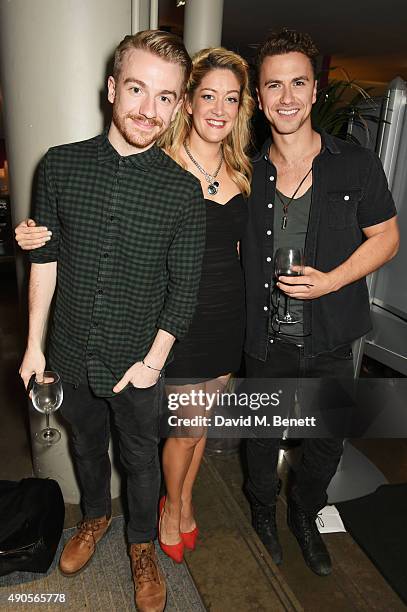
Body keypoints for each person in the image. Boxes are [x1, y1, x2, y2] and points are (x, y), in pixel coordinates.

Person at [16, 46, 254, 566]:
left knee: (143, 458)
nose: (148, 108)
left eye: (164, 95)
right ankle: (96, 517)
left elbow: (184, 287)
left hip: (138, 361)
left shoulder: (182, 191)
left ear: (175, 107)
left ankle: (141, 545)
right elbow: (46, 260)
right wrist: (34, 346)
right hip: (71, 351)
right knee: (84, 445)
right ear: (111, 89)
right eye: (136, 88)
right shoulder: (59, 165)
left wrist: (153, 362)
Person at [242, 29, 399, 576]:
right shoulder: (244, 173)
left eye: (298, 84)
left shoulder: (353, 163)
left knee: (325, 443)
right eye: (274, 86)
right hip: (264, 342)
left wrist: (332, 281)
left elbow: (387, 237)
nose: (287, 97)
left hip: (332, 337)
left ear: (314, 91)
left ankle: (303, 514)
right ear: (259, 99)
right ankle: (262, 510)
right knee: (260, 440)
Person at [157, 48, 253, 562]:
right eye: (209, 95)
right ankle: (171, 507)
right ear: (189, 103)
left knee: (204, 423)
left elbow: (242, 250)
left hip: (227, 317)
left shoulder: (243, 171)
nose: (219, 108)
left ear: (241, 109)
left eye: (231, 99)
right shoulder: (162, 167)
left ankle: (187, 497)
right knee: (185, 427)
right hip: (180, 318)